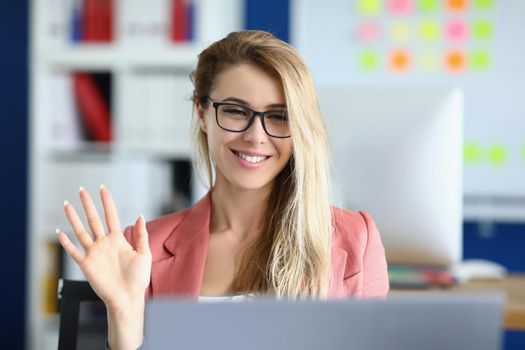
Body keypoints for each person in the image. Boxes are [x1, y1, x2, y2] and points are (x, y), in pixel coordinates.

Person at [56, 30, 389, 350]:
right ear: (202, 113)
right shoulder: (144, 248)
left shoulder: (355, 241)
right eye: (235, 110)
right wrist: (123, 317)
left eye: (278, 116)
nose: (256, 136)